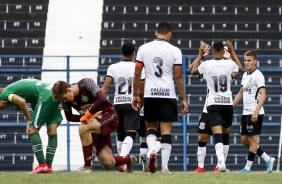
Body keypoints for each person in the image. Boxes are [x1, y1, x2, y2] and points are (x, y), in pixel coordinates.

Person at [132, 22, 189, 174]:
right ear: (170, 35)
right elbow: (178, 76)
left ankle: (151, 150)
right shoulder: (175, 50)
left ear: (156, 33)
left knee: (150, 128)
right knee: (166, 132)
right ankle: (164, 166)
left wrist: (135, 95)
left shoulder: (144, 48)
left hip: (150, 94)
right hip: (168, 94)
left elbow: (137, 74)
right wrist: (184, 99)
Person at [52, 78, 137, 173]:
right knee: (108, 163)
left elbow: (102, 98)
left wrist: (88, 115)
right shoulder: (66, 101)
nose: (64, 100)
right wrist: (86, 116)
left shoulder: (86, 83)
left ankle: (87, 167)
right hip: (95, 123)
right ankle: (129, 160)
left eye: (64, 98)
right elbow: (70, 117)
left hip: (109, 116)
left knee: (83, 128)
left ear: (68, 90)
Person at [191, 41, 243, 172]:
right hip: (210, 106)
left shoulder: (223, 65)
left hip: (214, 104)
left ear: (213, 52)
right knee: (203, 136)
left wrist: (200, 55)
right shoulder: (228, 65)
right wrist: (201, 56)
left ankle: (220, 164)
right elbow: (240, 69)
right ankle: (201, 167)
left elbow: (192, 70)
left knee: (221, 135)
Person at [0, 79, 63, 174]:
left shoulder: (4, 94)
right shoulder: (10, 99)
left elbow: (22, 101)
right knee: (52, 131)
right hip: (53, 92)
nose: (1, 109)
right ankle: (48, 167)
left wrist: (28, 120)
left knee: (32, 129)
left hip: (46, 95)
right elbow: (33, 102)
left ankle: (42, 165)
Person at [101, 42, 145, 172]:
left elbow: (106, 86)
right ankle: (121, 159)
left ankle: (122, 164)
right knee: (131, 133)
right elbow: (142, 86)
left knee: (120, 134)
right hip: (132, 103)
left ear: (121, 51)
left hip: (117, 104)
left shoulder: (113, 67)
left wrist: (99, 102)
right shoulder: (138, 67)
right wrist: (141, 101)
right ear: (134, 53)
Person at [233, 50, 276, 173]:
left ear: (255, 61)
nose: (246, 63)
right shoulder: (245, 75)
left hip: (254, 112)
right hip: (245, 112)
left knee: (252, 140)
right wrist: (231, 106)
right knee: (244, 141)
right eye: (245, 60)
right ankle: (268, 159)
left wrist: (256, 111)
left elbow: (263, 95)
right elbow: (241, 93)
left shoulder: (258, 75)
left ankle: (247, 168)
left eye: (249, 60)